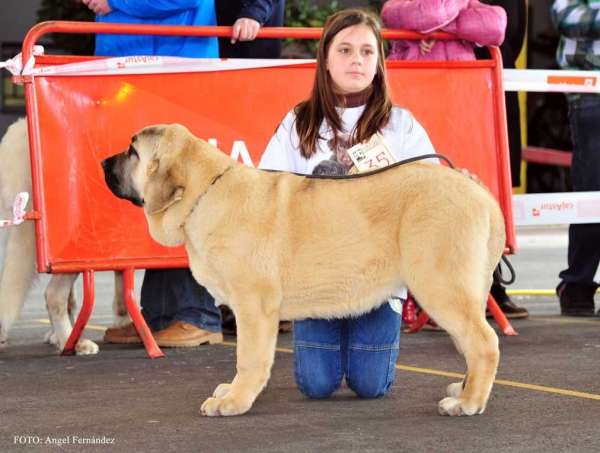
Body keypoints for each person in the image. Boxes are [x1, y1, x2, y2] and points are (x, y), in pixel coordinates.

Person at [258, 9, 437, 398]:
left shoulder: (401, 125)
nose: (357, 59)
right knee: (316, 385)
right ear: (325, 58)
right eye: (345, 49)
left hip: (381, 272)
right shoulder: (297, 122)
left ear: (379, 62)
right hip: (314, 275)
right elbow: (265, 191)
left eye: (367, 52)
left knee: (371, 386)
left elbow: (431, 190)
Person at [83, 0, 224, 347]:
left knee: (186, 189)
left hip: (179, 63)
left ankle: (197, 314)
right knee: (155, 193)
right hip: (133, 63)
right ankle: (159, 313)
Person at [383, 0, 530, 320]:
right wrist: (454, 17)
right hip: (418, 105)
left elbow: (497, 26)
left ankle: (484, 285)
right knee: (421, 197)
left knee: (470, 191)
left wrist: (435, 29)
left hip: (464, 107)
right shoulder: (408, 5)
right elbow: (408, 13)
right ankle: (421, 292)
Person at [551, 0, 600, 316]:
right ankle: (578, 282)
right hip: (589, 93)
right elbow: (563, 15)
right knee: (592, 186)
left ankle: (577, 282)